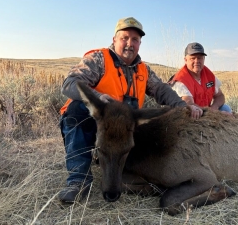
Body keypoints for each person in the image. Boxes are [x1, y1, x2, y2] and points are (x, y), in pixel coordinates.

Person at [58, 17, 203, 203]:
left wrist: (183, 107)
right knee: (76, 109)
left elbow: (161, 90)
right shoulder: (99, 60)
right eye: (125, 38)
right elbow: (69, 83)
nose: (129, 44)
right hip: (98, 124)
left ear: (140, 43)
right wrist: (98, 97)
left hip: (124, 131)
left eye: (135, 39)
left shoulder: (143, 69)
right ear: (114, 39)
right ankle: (78, 181)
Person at [169, 42, 232, 113]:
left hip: (207, 112)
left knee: (226, 108)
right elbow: (189, 104)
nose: (197, 61)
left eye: (200, 58)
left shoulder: (208, 74)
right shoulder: (180, 80)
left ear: (204, 59)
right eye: (193, 58)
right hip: (192, 114)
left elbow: (220, 96)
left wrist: (215, 107)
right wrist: (217, 114)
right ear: (185, 60)